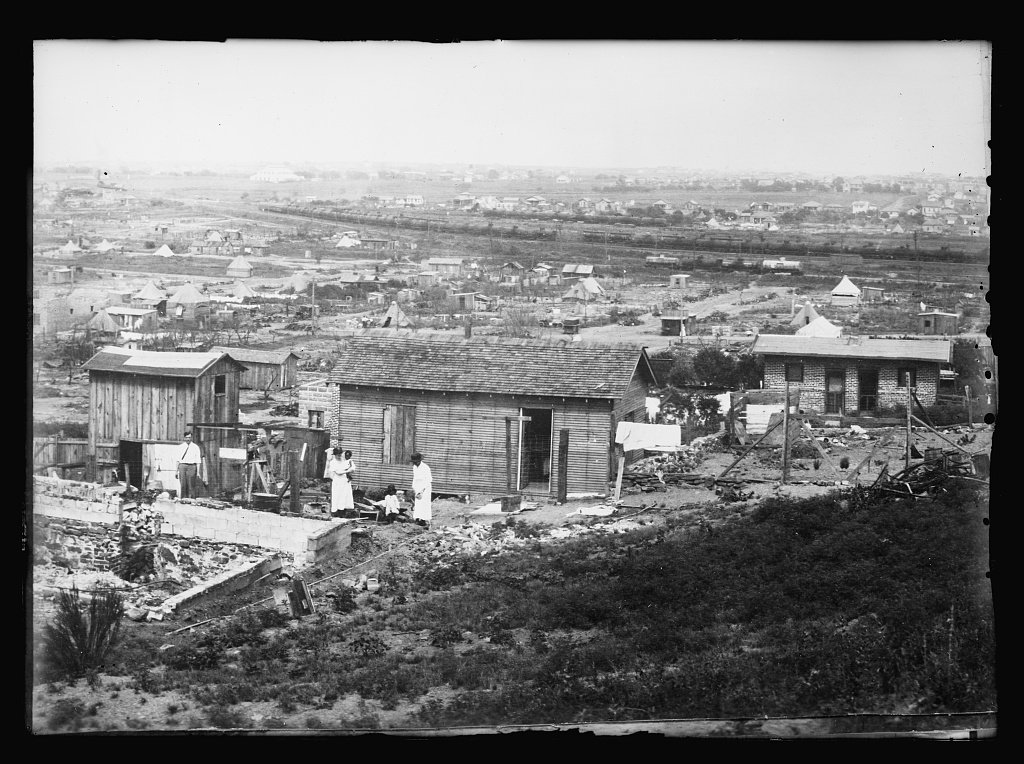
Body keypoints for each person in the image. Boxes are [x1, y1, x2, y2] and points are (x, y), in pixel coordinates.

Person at [324, 447, 355, 517]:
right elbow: (338, 472)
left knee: (345, 496)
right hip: (338, 481)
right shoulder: (333, 462)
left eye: (340, 454)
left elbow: (350, 466)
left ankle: (343, 512)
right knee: (337, 496)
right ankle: (335, 513)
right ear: (334, 455)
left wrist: (351, 470)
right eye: (337, 454)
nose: (339, 455)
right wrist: (348, 471)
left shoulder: (344, 460)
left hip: (345, 481)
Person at [176, 431, 203, 499]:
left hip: (192, 466)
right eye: (186, 437)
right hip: (182, 466)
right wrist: (176, 471)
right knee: (183, 484)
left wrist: (198, 472)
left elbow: (198, 461)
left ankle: (191, 500)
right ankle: (183, 500)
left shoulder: (195, 447)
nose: (188, 439)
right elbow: (177, 460)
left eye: (189, 437)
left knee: (191, 485)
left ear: (191, 438)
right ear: (184, 438)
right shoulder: (180, 447)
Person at [410, 452, 432, 527]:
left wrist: (422, 490)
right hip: (418, 486)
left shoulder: (426, 468)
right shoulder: (414, 467)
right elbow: (415, 478)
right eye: (413, 462)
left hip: (425, 487)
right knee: (418, 503)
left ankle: (424, 520)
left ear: (419, 461)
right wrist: (414, 488)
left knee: (424, 503)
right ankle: (417, 519)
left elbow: (428, 480)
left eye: (416, 462)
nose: (414, 463)